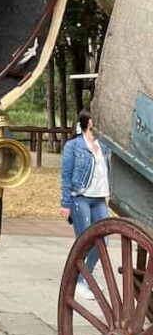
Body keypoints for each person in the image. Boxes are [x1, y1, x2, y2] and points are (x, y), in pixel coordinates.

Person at [59, 109, 111, 300]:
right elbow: (65, 176)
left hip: (99, 199)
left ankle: (84, 276)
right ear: (89, 122)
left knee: (104, 240)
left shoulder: (103, 145)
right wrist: (65, 203)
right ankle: (80, 281)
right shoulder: (73, 146)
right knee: (85, 241)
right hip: (80, 198)